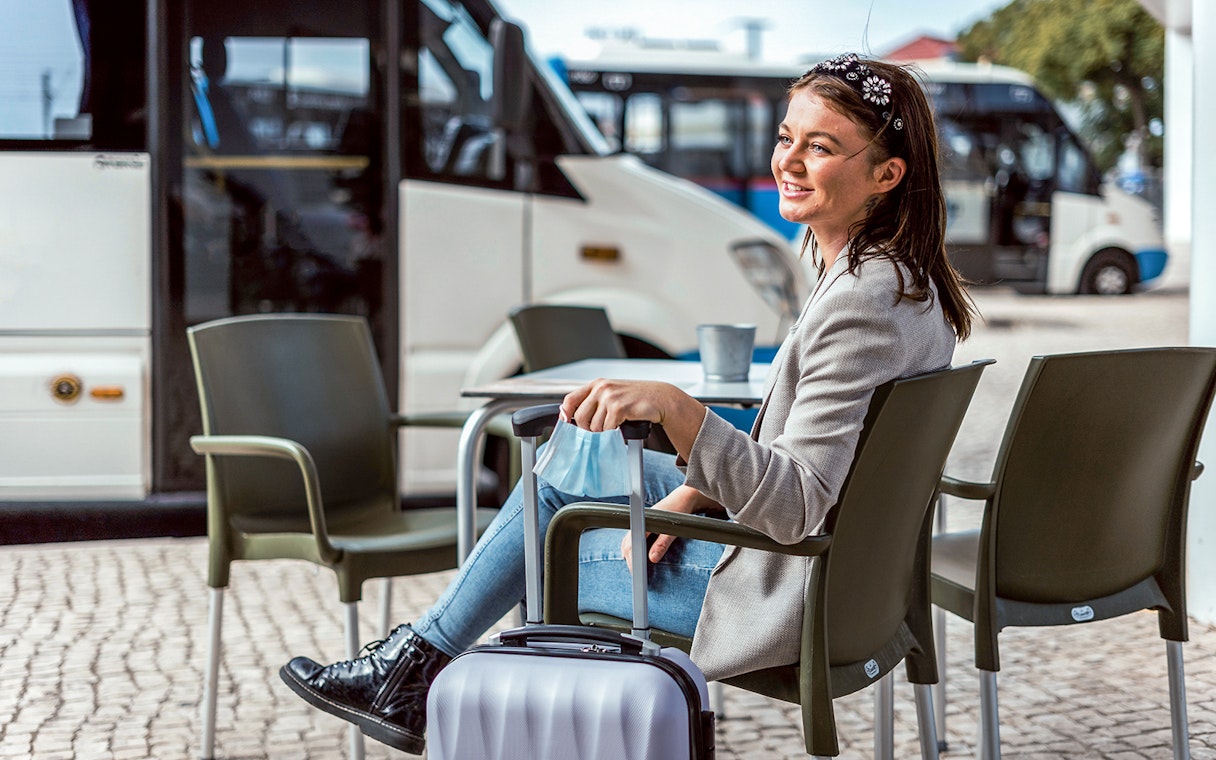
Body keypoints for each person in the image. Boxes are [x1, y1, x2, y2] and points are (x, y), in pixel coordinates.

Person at [278, 52, 976, 755]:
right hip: (848, 579)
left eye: (820, 147)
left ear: (887, 175)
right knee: (578, 450)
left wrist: (678, 409)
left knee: (548, 543)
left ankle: (414, 670)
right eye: (787, 137)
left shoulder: (862, 300)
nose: (789, 161)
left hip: (788, 594)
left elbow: (797, 504)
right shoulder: (904, 285)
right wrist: (697, 492)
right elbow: (827, 470)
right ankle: (413, 669)